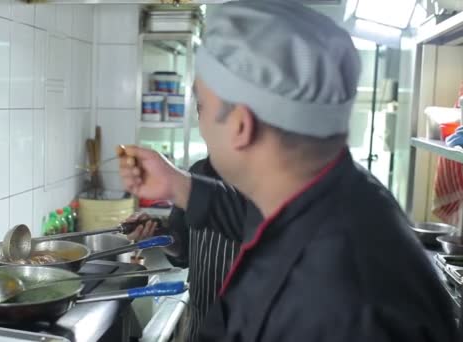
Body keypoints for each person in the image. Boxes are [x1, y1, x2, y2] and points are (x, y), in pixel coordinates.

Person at [117, 1, 458, 341]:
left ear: (240, 125)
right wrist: (179, 185)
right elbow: (248, 216)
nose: (199, 122)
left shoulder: (334, 301)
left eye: (202, 107)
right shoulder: (331, 194)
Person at [126, 157, 261, 341]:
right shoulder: (198, 171)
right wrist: (156, 233)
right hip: (200, 317)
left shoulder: (269, 181)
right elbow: (182, 249)